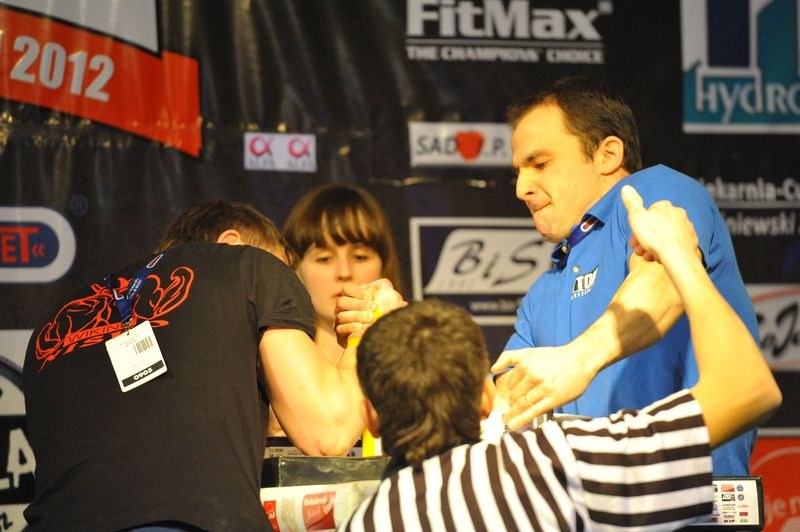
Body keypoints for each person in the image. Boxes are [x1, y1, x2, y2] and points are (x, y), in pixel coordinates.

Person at [340, 185, 782, 531]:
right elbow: (749, 390)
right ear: (485, 399)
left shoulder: (370, 521)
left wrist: (393, 335)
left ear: (370, 417)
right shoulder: (552, 466)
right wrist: (680, 256)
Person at [22, 201, 374, 531]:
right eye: (283, 269)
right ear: (231, 245)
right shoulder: (249, 265)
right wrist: (372, 328)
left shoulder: (55, 321)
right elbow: (329, 433)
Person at [490, 75, 759, 475]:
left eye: (540, 164)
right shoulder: (545, 289)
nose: (521, 188)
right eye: (518, 172)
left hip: (690, 498)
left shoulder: (654, 190)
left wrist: (577, 360)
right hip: (591, 503)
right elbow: (503, 404)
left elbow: (663, 282)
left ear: (608, 154)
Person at [267, 184, 402, 440]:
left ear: (384, 264)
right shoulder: (268, 366)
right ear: (294, 269)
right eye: (324, 258)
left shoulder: (417, 357)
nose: (344, 272)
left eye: (360, 257)